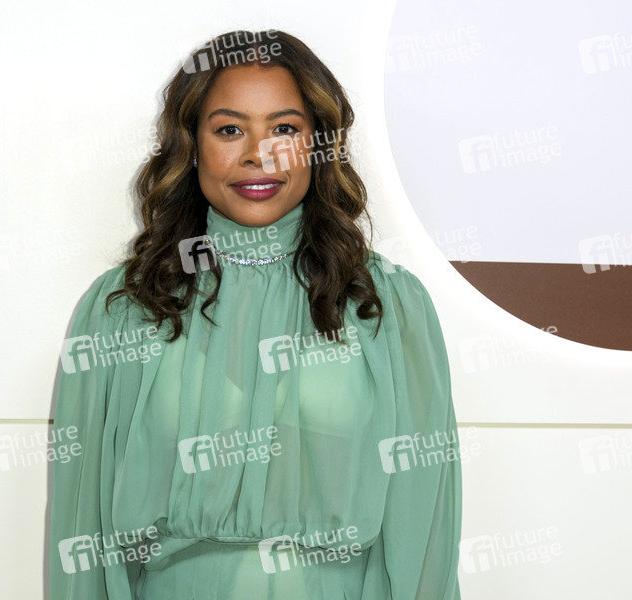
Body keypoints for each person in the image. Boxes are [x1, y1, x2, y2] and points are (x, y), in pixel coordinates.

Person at [49, 29, 461, 600]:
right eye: (229, 130)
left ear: (318, 144)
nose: (257, 155)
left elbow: (423, 522)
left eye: (284, 129)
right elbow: (83, 524)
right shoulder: (124, 306)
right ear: (191, 144)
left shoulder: (386, 305)